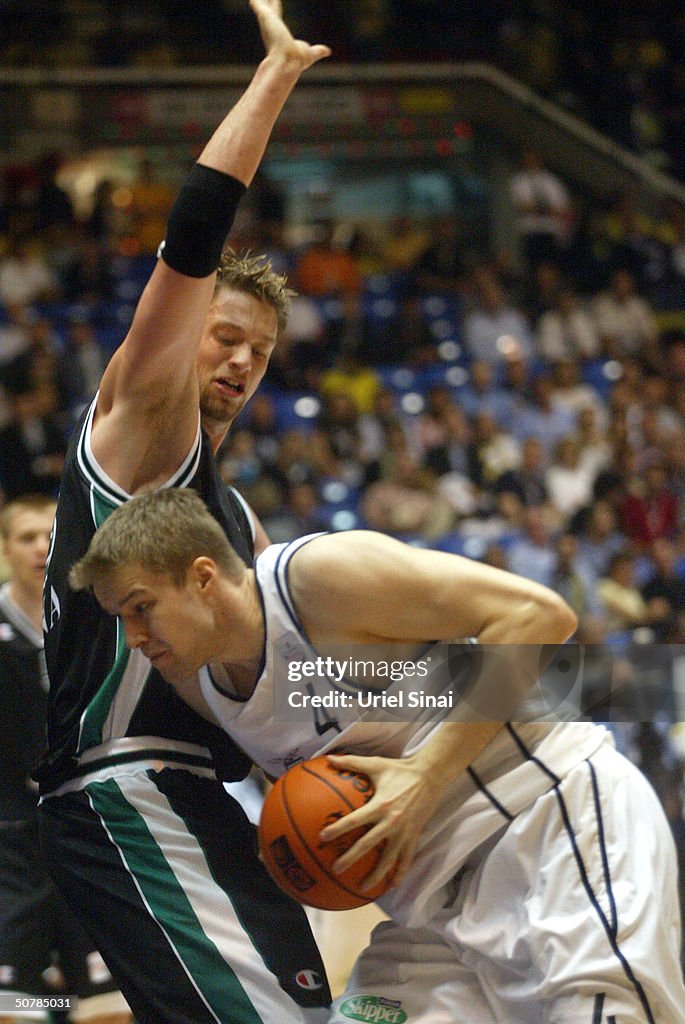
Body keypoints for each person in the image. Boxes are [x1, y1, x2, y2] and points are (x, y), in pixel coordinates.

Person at [72, 487, 685, 1024]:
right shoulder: (199, 684)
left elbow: (539, 616)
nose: (135, 636)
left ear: (204, 577)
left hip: (551, 827)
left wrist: (424, 776)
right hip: (431, 915)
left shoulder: (317, 579)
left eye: (141, 607)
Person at [36, 4, 332, 1023]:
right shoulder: (142, 419)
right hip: (126, 783)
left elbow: (277, 682)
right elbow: (194, 230)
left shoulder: (230, 520)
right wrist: (277, 77)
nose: (241, 362)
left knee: (310, 1007)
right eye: (224, 335)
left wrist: (460, 701)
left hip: (195, 791)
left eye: (260, 351)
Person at [0, 495, 131, 1024]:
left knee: (104, 1001)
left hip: (86, 820)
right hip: (13, 832)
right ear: (6, 549)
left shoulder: (87, 620)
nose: (39, 548)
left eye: (49, 537)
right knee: (21, 1003)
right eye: (26, 537)